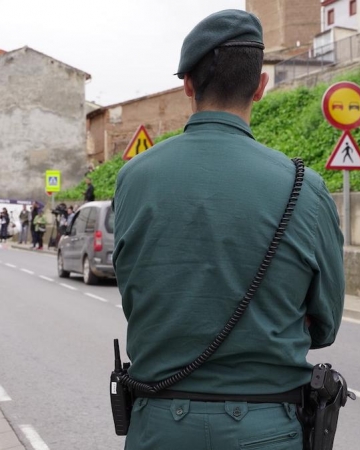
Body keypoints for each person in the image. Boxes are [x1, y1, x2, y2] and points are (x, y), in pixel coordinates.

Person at [112, 10, 345, 450]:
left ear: (188, 87)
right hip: (268, 427)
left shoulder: (134, 178)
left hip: (159, 425)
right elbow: (325, 325)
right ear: (260, 86)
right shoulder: (306, 188)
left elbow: (135, 296)